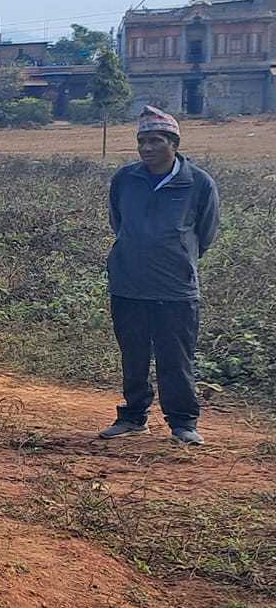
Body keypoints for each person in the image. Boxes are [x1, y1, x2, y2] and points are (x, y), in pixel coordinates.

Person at [98, 106, 221, 445]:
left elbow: (205, 233)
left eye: (155, 140)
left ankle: (182, 423)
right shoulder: (126, 178)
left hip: (176, 288)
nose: (147, 148)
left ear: (174, 143)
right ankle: (134, 417)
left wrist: (179, 257)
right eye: (142, 141)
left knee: (175, 357)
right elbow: (118, 222)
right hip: (128, 284)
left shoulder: (197, 183)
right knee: (133, 355)